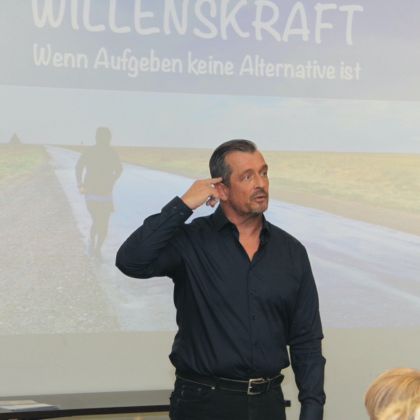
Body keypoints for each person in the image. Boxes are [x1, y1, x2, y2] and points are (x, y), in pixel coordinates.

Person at [116, 139, 326, 420]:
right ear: (222, 190)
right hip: (203, 404)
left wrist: (312, 410)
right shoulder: (191, 241)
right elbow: (131, 261)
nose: (260, 184)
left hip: (268, 404)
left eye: (263, 173)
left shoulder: (291, 252)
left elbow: (306, 339)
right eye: (247, 177)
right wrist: (183, 205)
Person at [76, 127, 122, 259]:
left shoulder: (111, 152)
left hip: (105, 194)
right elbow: (78, 167)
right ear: (98, 138)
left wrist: (112, 180)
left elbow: (119, 169)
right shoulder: (90, 151)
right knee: (98, 221)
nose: (107, 140)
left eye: (107, 138)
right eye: (105, 137)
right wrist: (80, 184)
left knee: (103, 223)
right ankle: (92, 241)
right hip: (91, 193)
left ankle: (97, 248)